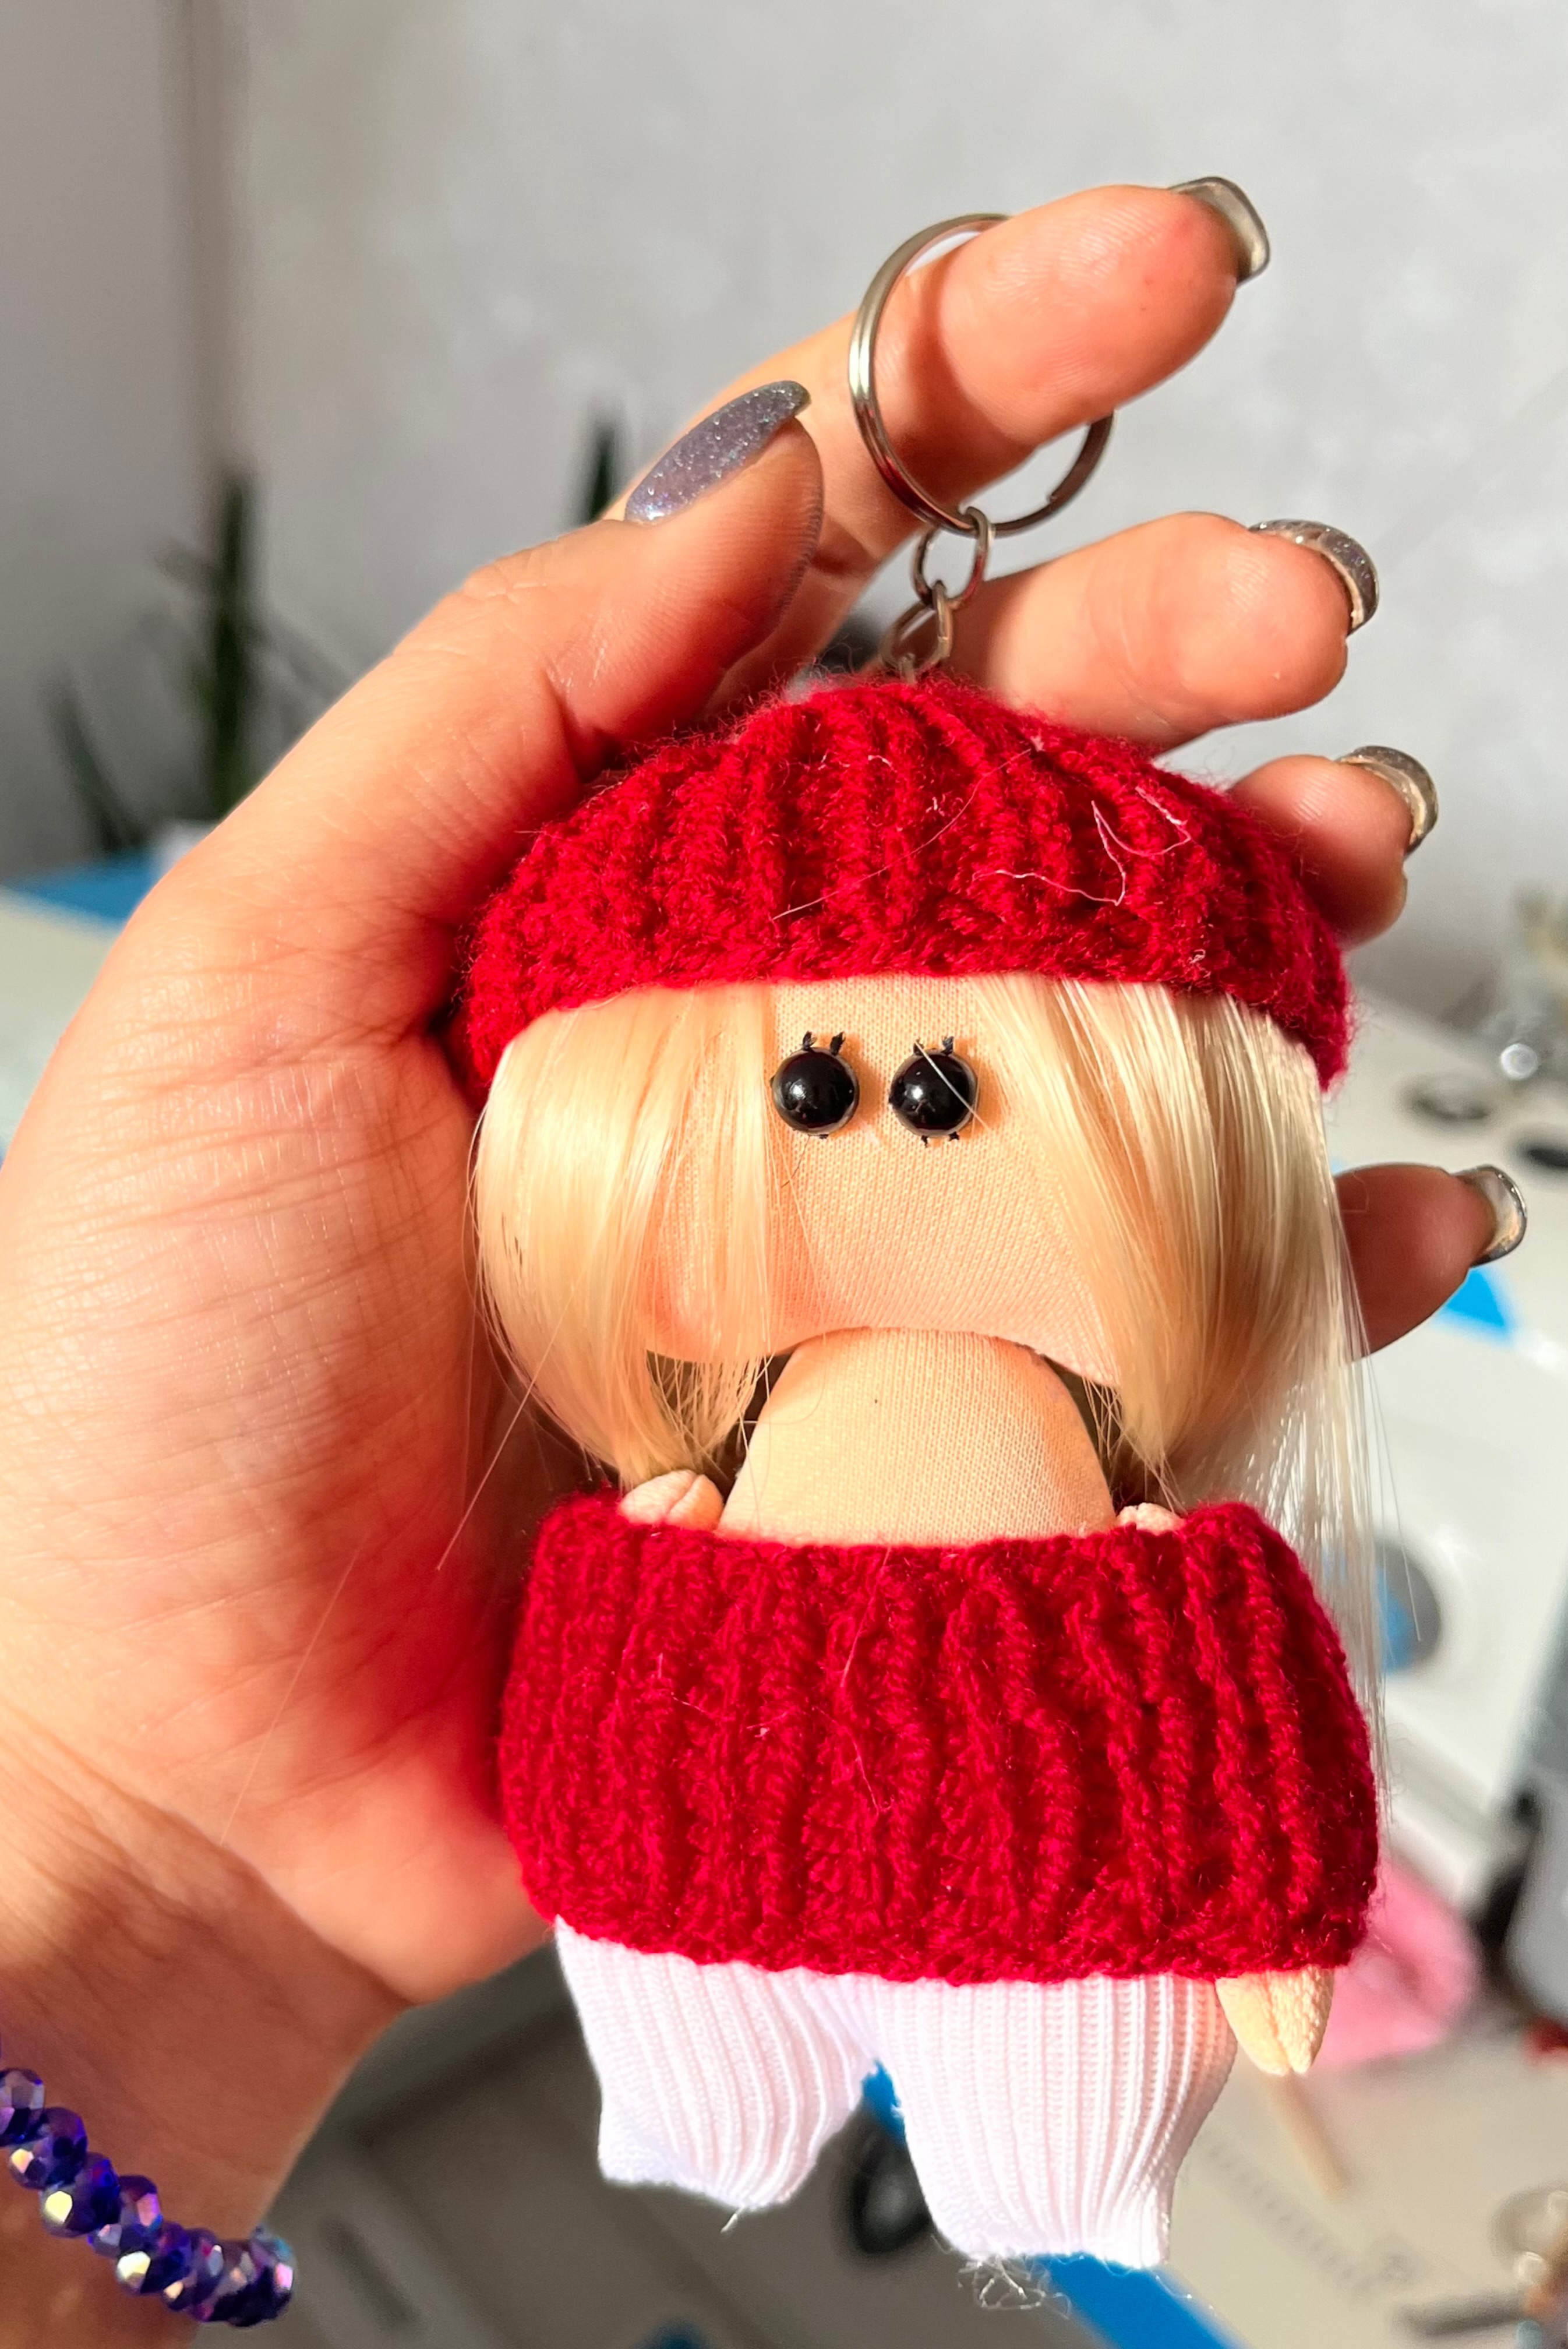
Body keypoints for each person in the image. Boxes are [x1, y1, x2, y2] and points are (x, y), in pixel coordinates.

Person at [0, 185, 1503, 2340]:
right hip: (676, 1855)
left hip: (1026, 1880)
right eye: (805, 1086)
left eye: (958, 1084)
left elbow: (1225, 1679)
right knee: (702, 2051)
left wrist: (1263, 1903)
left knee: (1049, 2123)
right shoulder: (663, 1514)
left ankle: (1036, 2151)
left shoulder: (1125, 1530)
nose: (881, 1115)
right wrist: (107, 1821)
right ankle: (723, 2103)